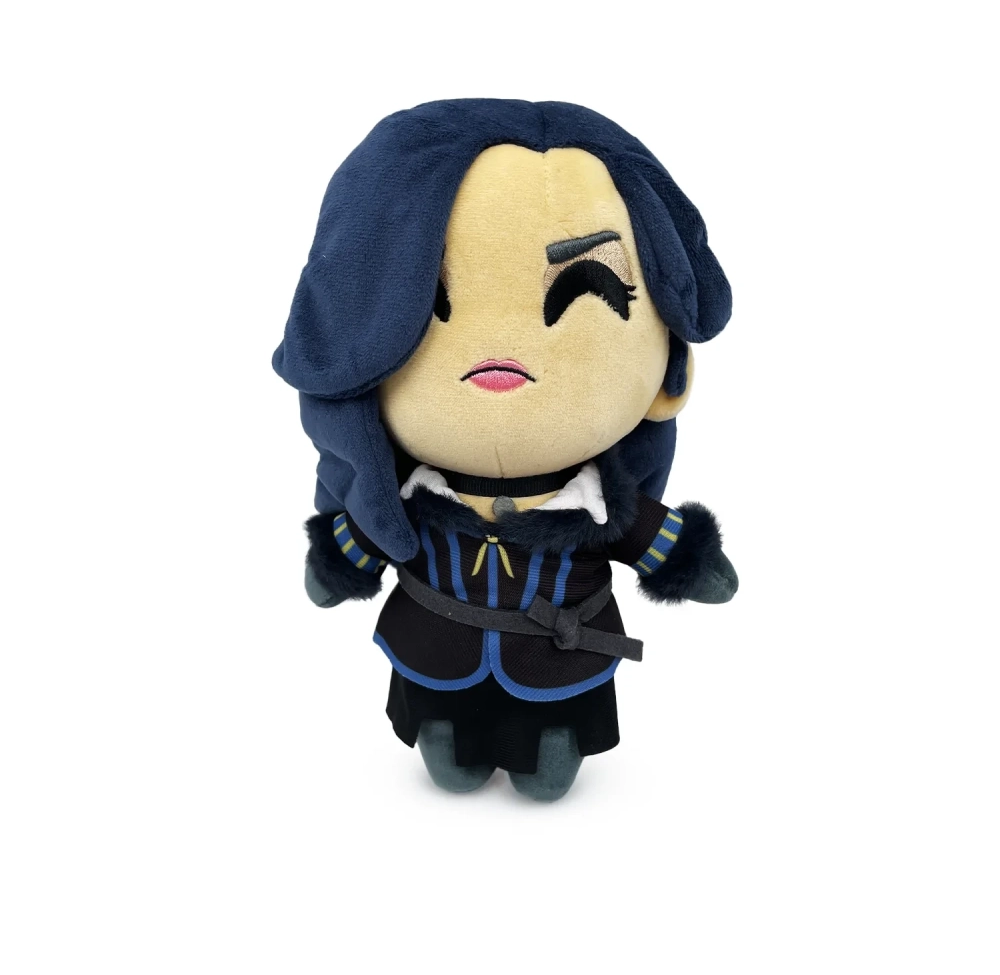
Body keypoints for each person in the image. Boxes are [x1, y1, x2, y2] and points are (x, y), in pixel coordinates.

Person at [274, 99, 737, 801]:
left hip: (560, 659)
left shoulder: (599, 502)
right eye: (427, 301)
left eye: (586, 288)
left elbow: (652, 535)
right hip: (435, 652)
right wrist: (337, 561)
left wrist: (688, 559)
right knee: (444, 732)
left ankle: (548, 745)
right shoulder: (405, 496)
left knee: (550, 750)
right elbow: (363, 535)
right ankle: (446, 735)